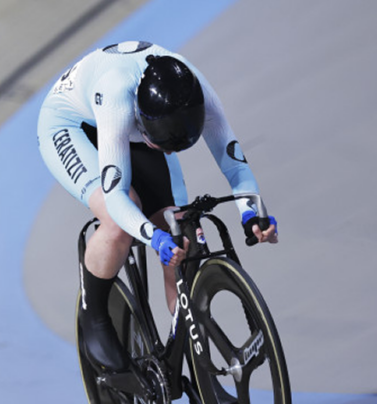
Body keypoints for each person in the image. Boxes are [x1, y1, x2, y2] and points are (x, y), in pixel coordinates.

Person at [37, 40, 277, 374]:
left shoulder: (197, 92)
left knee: (183, 230)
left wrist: (250, 211)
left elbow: (234, 162)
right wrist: (154, 238)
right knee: (120, 219)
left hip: (139, 129)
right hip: (73, 125)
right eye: (161, 145)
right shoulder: (117, 98)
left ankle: (201, 371)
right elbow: (118, 196)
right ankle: (94, 318)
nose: (168, 154)